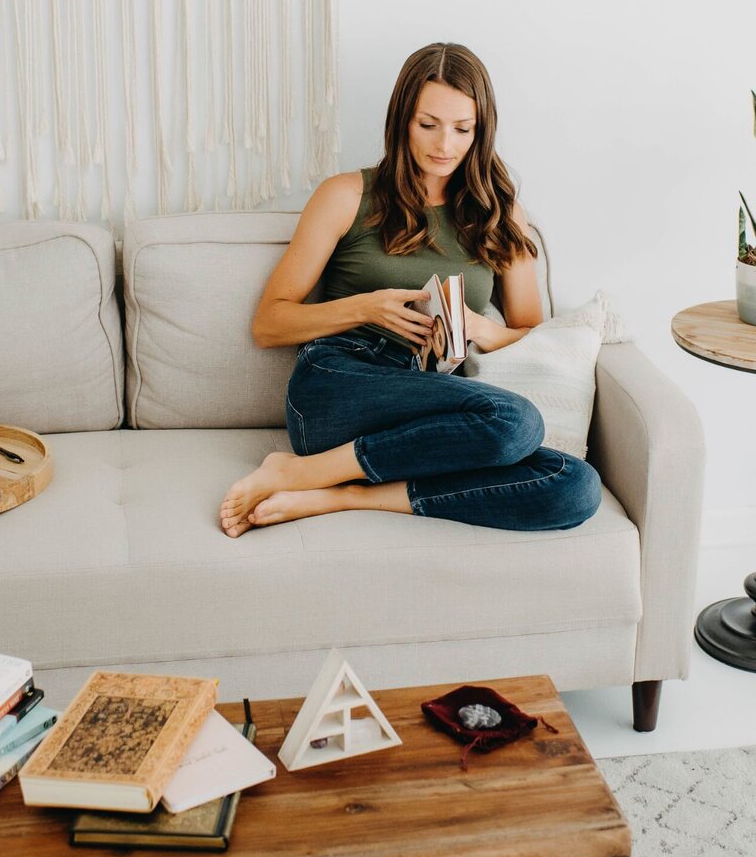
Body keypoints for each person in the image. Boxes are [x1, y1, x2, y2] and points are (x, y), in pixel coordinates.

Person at [219, 42, 601, 538]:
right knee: (515, 420)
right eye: (428, 124)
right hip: (338, 383)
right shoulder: (346, 195)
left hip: (431, 409)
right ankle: (300, 468)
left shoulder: (500, 214)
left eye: (463, 129)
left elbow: (531, 333)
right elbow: (269, 323)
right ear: (402, 119)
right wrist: (365, 308)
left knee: (573, 485)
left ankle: (340, 493)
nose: (445, 144)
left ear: (481, 131)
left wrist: (481, 328)